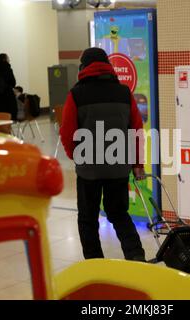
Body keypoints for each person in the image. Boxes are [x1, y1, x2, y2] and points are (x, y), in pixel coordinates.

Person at [60, 47, 146, 261]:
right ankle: (137, 259)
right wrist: (137, 163)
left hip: (89, 168)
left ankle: (95, 265)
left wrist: (76, 155)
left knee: (88, 219)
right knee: (119, 214)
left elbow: (67, 131)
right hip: (118, 165)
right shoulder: (124, 93)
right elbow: (136, 130)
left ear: (84, 67)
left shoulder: (76, 94)